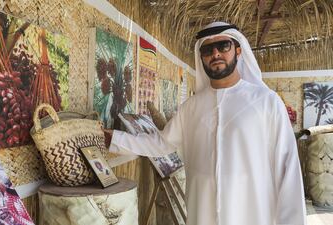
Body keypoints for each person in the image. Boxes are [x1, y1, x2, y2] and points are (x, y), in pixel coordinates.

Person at [104, 22, 306, 225]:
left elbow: (287, 168)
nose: (215, 53)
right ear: (201, 58)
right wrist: (114, 139)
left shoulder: (266, 102)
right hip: (203, 216)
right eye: (207, 49)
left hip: (252, 215)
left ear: (238, 51)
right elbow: (161, 143)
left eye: (223, 46)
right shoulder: (191, 107)